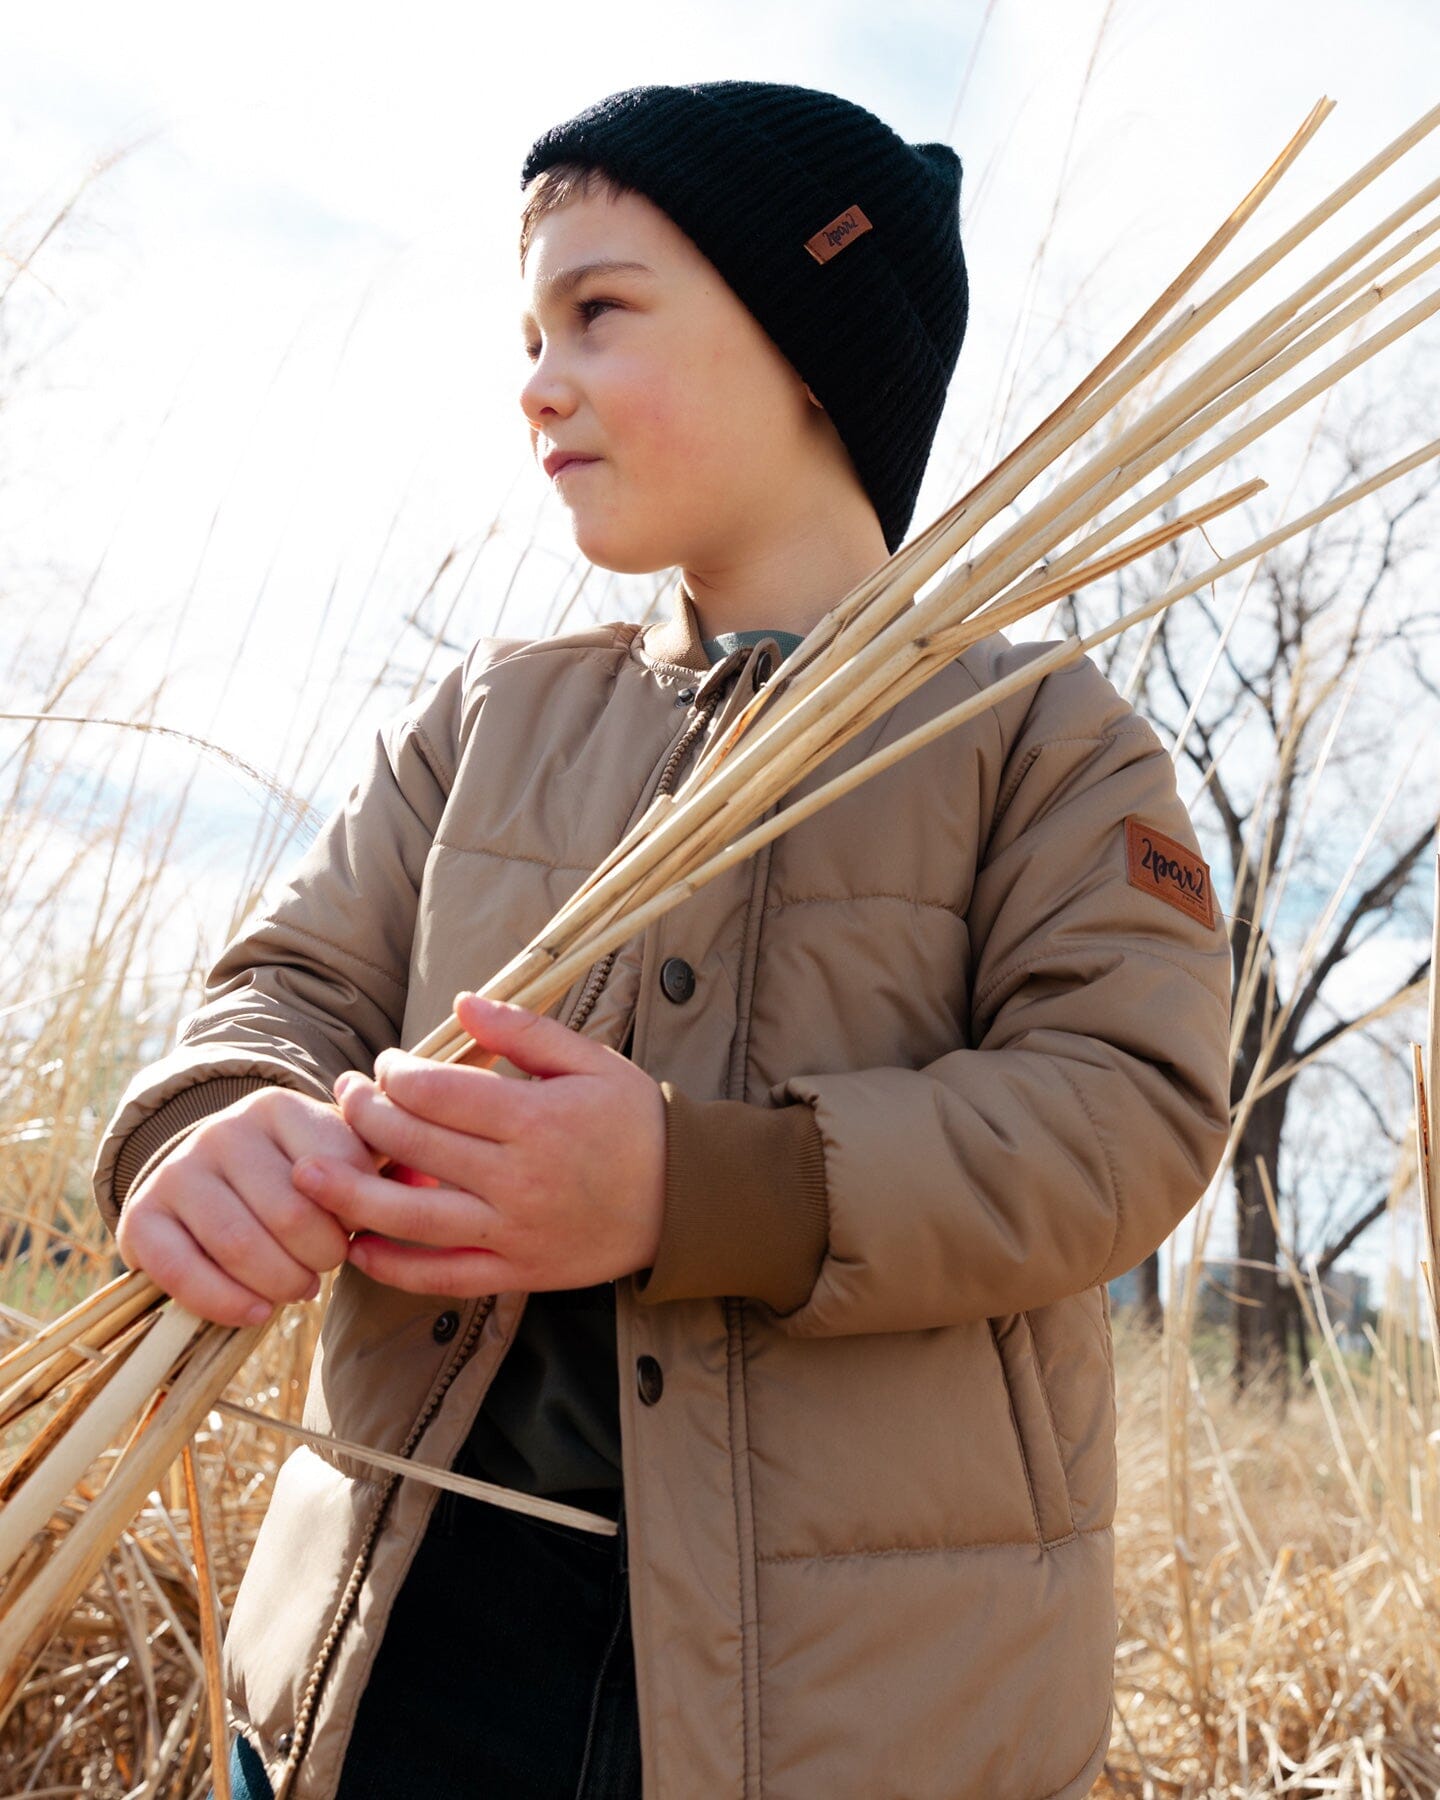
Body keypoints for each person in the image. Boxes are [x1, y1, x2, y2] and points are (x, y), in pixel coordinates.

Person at [92, 80, 1233, 1800]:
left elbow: (1124, 1112)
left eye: (598, 312)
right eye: (529, 329)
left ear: (806, 342)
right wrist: (217, 1120)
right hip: (393, 1668)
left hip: (855, 1714)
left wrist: (689, 1189)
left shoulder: (1040, 742)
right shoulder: (493, 718)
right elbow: (284, 990)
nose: (535, 380)